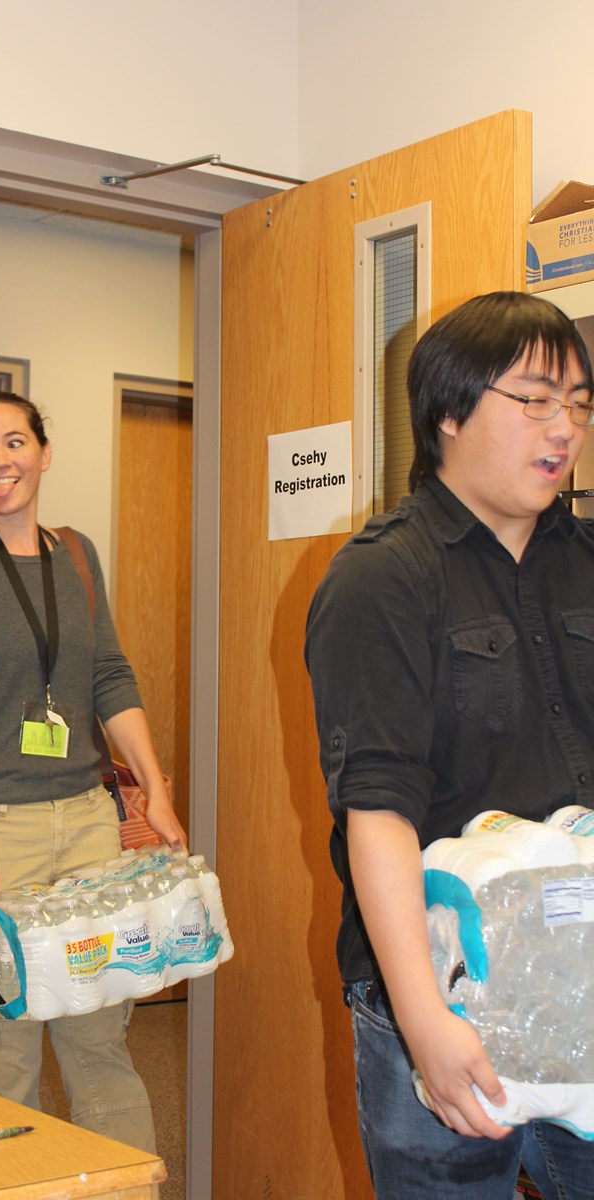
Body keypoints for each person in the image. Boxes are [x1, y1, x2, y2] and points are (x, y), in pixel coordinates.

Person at [305, 292, 594, 1199]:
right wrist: (424, 1022)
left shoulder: (587, 562)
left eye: (579, 404)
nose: (565, 427)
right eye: (535, 399)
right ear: (450, 413)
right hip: (440, 983)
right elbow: (378, 813)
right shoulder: (382, 577)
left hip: (580, 975)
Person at [0, 390, 186, 1152]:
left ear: (43, 452)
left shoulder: (78, 556)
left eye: (14, 442)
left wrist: (156, 792)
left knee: (101, 1047)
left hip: (88, 826)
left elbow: (110, 677)